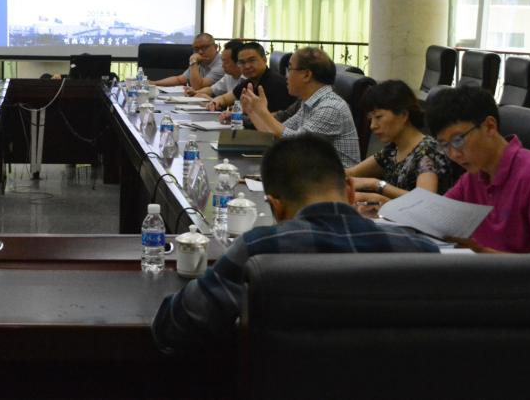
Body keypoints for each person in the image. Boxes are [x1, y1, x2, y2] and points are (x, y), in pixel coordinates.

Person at [151, 134, 438, 352]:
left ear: (275, 207)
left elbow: (174, 325)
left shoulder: (259, 250)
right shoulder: (418, 250)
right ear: (351, 191)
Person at [425, 85, 530, 284]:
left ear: (490, 126)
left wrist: (482, 253)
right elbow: (436, 214)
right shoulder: (475, 174)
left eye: (458, 140)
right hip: (487, 279)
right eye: (444, 145)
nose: (454, 154)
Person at [240, 46, 360, 167]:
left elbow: (297, 145)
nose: (286, 76)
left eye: (290, 69)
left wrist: (263, 112)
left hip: (337, 178)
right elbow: (277, 135)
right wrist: (252, 112)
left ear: (306, 75)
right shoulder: (309, 103)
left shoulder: (330, 107)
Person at [348, 79, 452, 208]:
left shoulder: (428, 150)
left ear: (403, 115)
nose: (372, 126)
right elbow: (351, 173)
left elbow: (424, 201)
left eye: (379, 117)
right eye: (371, 119)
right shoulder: (392, 149)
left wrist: (377, 185)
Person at [206, 41, 294, 119]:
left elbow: (277, 118)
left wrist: (239, 116)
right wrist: (214, 102)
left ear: (264, 60)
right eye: (242, 62)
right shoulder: (250, 82)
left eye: (252, 60)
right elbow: (225, 98)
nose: (247, 66)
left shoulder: (277, 84)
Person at [150, 33, 224, 90]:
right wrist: (154, 83)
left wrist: (193, 61)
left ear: (215, 47)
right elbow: (179, 80)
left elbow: (197, 87)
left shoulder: (222, 64)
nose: (200, 52)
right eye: (196, 49)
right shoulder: (200, 61)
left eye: (204, 47)